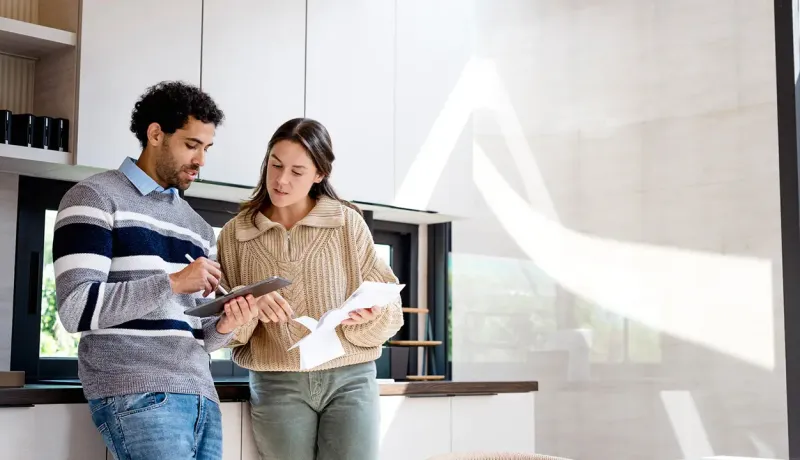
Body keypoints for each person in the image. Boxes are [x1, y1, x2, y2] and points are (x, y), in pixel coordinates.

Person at [53, 81, 261, 460]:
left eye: (206, 148)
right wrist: (175, 282)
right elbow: (75, 308)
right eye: (191, 145)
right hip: (138, 392)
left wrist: (230, 321)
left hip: (202, 395)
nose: (201, 160)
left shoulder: (197, 227)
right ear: (155, 135)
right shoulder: (94, 197)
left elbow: (198, 336)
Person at [215, 117, 404, 460]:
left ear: (319, 174)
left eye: (297, 171)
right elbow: (226, 333)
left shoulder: (347, 224)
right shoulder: (235, 234)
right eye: (275, 165)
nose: (281, 180)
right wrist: (249, 304)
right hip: (277, 383)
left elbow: (391, 307)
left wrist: (369, 315)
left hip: (351, 378)